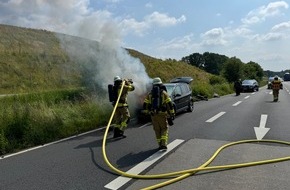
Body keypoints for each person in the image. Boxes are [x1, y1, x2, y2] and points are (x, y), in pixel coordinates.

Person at [143, 77, 175, 150]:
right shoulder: (164, 93)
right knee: (164, 128)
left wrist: (147, 112)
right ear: (161, 84)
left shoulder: (150, 94)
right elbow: (170, 104)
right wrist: (172, 113)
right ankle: (163, 144)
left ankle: (160, 144)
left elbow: (145, 104)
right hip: (162, 114)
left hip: (153, 115)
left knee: (157, 130)